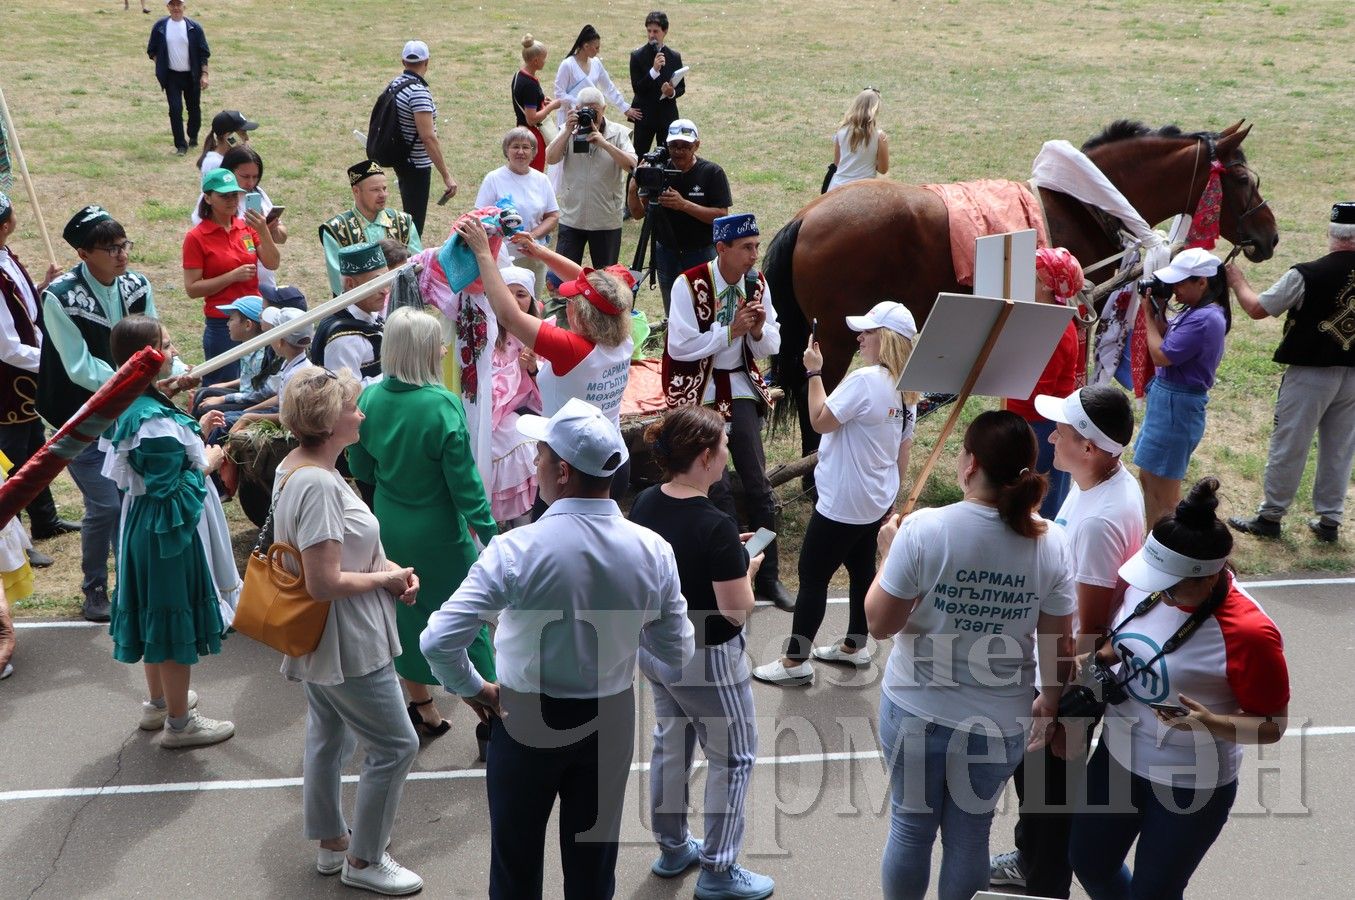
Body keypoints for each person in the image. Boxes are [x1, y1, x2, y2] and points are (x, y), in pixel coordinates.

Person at [420, 397, 694, 900]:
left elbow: (439, 640)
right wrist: (622, 652)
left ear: (563, 471)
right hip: (609, 717)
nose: (534, 462)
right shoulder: (653, 551)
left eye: (540, 454)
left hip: (522, 717)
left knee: (515, 867)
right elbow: (676, 653)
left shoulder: (515, 549)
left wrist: (474, 688)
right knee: (593, 874)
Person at [865, 410, 1074, 900]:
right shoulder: (1052, 543)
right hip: (999, 718)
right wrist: (1051, 699)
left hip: (916, 706)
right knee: (969, 836)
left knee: (911, 830)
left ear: (970, 464)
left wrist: (885, 555)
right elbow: (1058, 645)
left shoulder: (924, 530)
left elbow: (879, 623)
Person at [1068, 477, 1289, 900]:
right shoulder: (1149, 584)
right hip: (1117, 758)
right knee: (1089, 862)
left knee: (1155, 893)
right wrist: (1102, 657)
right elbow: (1128, 635)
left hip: (1191, 782)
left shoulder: (1250, 632)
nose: (1157, 591)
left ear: (1208, 577)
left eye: (1168, 586)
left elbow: (1272, 725)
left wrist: (1209, 724)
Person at [270, 367, 423, 895]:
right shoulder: (316, 483)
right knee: (396, 746)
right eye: (352, 406)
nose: (361, 413)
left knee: (328, 736)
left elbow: (344, 550)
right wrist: (384, 578)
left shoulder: (304, 467)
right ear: (330, 421)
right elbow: (323, 582)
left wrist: (391, 571)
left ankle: (334, 843)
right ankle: (365, 859)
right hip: (345, 641)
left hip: (324, 639)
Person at [990, 385, 1144, 899]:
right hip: (1061, 674)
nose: (1050, 435)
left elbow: (1090, 630)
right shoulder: (1094, 483)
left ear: (1091, 447)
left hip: (1072, 682)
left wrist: (1058, 704)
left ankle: (1044, 883)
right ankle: (1030, 857)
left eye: (1062, 430)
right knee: (1038, 791)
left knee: (1050, 797)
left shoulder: (1100, 520)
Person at [629, 405, 775, 900]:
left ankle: (673, 846)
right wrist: (746, 569)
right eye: (725, 447)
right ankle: (718, 867)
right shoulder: (713, 524)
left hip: (654, 645)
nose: (729, 454)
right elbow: (736, 611)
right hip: (708, 659)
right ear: (708, 457)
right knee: (733, 758)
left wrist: (728, 554)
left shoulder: (647, 501)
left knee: (670, 741)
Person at [346, 307, 499, 747]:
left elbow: (360, 465)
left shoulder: (369, 400)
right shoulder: (441, 404)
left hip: (390, 524)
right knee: (466, 621)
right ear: (422, 352)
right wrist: (491, 534)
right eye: (438, 343)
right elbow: (465, 485)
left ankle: (423, 707)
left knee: (406, 618)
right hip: (441, 534)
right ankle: (491, 717)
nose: (444, 348)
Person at [754, 301, 918, 686]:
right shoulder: (906, 387)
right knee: (862, 571)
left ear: (887, 340)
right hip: (876, 498)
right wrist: (891, 496)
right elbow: (904, 449)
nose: (860, 337)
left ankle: (795, 662)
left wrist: (814, 372)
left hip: (843, 502)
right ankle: (854, 646)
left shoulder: (865, 381)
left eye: (868, 332)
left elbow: (820, 420)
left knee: (812, 575)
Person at [101, 315, 238, 748]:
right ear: (147, 358)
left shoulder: (129, 402)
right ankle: (180, 724)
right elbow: (169, 492)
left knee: (155, 615)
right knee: (170, 618)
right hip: (168, 531)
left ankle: (159, 704)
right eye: (166, 344)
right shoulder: (153, 422)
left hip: (143, 526)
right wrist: (209, 463)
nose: (174, 350)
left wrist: (178, 403)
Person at [38, 206, 163, 622]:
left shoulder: (136, 285)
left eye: (124, 244)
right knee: (106, 505)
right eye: (110, 248)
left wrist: (172, 372)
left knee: (131, 502)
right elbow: (78, 366)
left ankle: (132, 581)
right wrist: (134, 380)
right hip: (80, 417)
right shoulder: (59, 296)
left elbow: (154, 341)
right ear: (82, 252)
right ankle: (94, 586)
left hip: (128, 415)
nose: (122, 255)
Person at [664, 212, 791, 610]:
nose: (755, 256)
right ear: (722, 249)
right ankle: (729, 570)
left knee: (758, 483)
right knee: (714, 487)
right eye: (747, 248)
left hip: (738, 384)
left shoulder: (757, 283)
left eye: (756, 246)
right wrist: (730, 331)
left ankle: (768, 574)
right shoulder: (689, 284)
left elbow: (772, 342)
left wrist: (755, 332)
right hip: (700, 389)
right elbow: (678, 347)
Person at [460, 217, 635, 503]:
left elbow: (510, 317)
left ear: (583, 316)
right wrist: (539, 253)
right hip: (615, 459)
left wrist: (483, 254)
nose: (566, 305)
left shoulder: (573, 350)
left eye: (571, 303)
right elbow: (589, 282)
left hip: (571, 471)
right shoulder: (622, 334)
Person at [1226, 201, 1355, 544]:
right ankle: (1329, 520)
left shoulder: (1307, 273)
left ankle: (1271, 515)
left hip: (1311, 372)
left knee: (1291, 443)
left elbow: (1257, 309)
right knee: (1340, 447)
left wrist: (1237, 280)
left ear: (1332, 234)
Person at [0, 191, 76, 560]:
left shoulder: (5, 256)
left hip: (23, 381)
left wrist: (41, 288)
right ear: (5, 225)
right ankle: (13, 542)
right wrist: (51, 359)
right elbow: (8, 347)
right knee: (12, 458)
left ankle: (44, 519)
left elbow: (22, 310)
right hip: (8, 383)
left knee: (34, 447)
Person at [1133, 247, 1229, 528]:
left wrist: (1147, 317)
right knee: (1149, 476)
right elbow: (1169, 337)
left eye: (1180, 283)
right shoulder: (1196, 311)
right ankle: (1154, 540)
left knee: (1164, 492)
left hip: (1177, 407)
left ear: (1203, 282)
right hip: (1169, 403)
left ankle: (1163, 544)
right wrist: (1158, 311)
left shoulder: (1205, 318)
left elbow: (1161, 354)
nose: (1175, 289)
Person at [183, 167, 280, 386]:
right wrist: (232, 276)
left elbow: (273, 262)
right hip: (223, 323)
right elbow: (192, 288)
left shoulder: (246, 227)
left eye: (234, 194)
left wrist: (263, 230)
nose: (231, 200)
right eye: (223, 195)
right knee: (222, 387)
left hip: (255, 319)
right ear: (207, 198)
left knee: (256, 384)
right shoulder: (196, 237)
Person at [1007, 247, 1085, 519]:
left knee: (1038, 501)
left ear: (1044, 285)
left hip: (1039, 427)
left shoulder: (1055, 331)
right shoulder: (1045, 319)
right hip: (1033, 421)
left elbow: (1037, 395)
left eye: (1030, 275)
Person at [626, 118, 731, 313]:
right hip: (667, 253)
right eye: (674, 146)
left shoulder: (712, 173)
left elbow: (721, 217)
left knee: (705, 307)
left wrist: (684, 205)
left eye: (685, 146)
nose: (679, 151)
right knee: (672, 308)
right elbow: (639, 214)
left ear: (696, 146)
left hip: (701, 252)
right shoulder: (657, 171)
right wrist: (633, 190)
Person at [546, 87, 637, 270]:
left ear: (604, 109)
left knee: (606, 278)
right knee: (564, 278)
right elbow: (551, 158)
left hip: (606, 220)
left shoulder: (618, 133)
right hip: (572, 217)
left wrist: (605, 144)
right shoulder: (567, 130)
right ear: (577, 108)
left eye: (594, 110)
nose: (590, 114)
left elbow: (631, 165)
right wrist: (567, 132)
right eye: (585, 109)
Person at [487, 266, 542, 528]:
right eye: (507, 294)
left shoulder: (539, 331)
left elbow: (548, 388)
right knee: (514, 445)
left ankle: (523, 519)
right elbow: (489, 387)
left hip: (527, 410)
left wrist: (533, 369)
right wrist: (515, 369)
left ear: (532, 299)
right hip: (495, 415)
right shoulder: (487, 332)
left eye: (521, 294)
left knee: (528, 445)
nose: (514, 301)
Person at [190, 144, 287, 290]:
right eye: (245, 176)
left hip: (264, 284)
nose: (251, 182)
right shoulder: (212, 201)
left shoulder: (258, 194)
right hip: (230, 291)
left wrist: (267, 231)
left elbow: (278, 249)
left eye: (255, 176)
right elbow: (208, 243)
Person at [320, 160, 422, 298]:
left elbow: (417, 265)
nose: (383, 195)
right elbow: (340, 284)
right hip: (358, 309)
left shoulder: (403, 221)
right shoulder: (337, 229)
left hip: (401, 302)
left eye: (384, 188)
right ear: (356, 191)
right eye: (375, 190)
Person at [475, 128, 560, 290]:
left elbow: (553, 216)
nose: (520, 151)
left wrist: (532, 236)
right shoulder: (493, 179)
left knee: (531, 303)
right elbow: (480, 216)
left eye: (526, 147)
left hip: (534, 254)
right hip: (502, 256)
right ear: (507, 150)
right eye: (515, 146)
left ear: (534, 152)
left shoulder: (542, 180)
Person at [387, 40, 457, 235]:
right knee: (414, 225)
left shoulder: (396, 84)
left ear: (403, 62)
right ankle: (408, 261)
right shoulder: (418, 92)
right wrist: (446, 176)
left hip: (400, 157)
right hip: (416, 164)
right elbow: (428, 138)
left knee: (409, 219)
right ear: (426, 62)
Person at [312, 242, 388, 385]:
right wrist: (396, 375)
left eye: (386, 279)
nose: (385, 290)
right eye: (376, 282)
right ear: (351, 284)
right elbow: (346, 396)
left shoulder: (370, 314)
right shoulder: (343, 340)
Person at [146, 0, 209, 156]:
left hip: (192, 75)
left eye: (178, 5)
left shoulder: (194, 28)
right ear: (168, 7)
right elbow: (151, 50)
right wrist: (160, 63)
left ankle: (193, 135)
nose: (175, 8)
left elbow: (203, 53)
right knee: (175, 110)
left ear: (184, 7)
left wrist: (204, 74)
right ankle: (181, 145)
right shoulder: (160, 27)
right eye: (172, 5)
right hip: (172, 76)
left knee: (193, 109)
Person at [553, 25, 636, 128]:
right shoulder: (568, 65)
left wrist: (624, 107)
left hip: (592, 117)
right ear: (586, 46)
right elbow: (559, 94)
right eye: (596, 48)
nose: (598, 51)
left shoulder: (596, 63)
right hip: (570, 118)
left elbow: (608, 87)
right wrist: (579, 102)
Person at [628, 11, 686, 155]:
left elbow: (681, 88)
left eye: (656, 31)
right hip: (645, 117)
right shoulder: (637, 56)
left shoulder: (674, 56)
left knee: (668, 159)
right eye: (649, 31)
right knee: (638, 158)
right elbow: (638, 88)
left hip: (667, 117)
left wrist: (671, 92)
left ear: (665, 31)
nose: (652, 35)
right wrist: (653, 71)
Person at [512, 35, 562, 173]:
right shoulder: (530, 85)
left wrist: (541, 102)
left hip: (520, 131)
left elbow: (525, 102)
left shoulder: (519, 75)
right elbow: (531, 118)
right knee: (533, 174)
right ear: (535, 61)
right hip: (532, 137)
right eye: (543, 58)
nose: (545, 62)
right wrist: (552, 106)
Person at [826, 88, 888, 191]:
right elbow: (883, 169)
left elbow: (837, 163)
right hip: (863, 189)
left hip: (837, 187)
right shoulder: (880, 136)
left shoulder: (841, 131)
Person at [196, 110, 258, 175]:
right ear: (229, 137)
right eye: (243, 133)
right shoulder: (216, 164)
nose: (247, 138)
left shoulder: (231, 157)